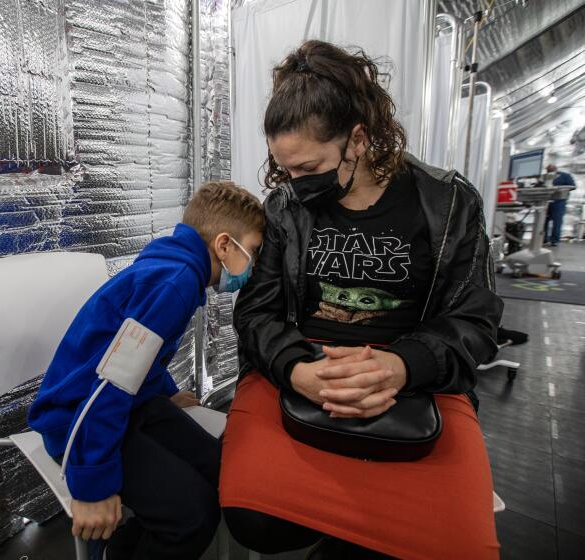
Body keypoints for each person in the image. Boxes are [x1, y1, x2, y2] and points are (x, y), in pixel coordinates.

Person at [220, 40, 503, 559]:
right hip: (303, 368)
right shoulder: (285, 207)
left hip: (414, 380)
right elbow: (256, 312)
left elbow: (476, 319)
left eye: (309, 168)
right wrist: (297, 369)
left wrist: (401, 366)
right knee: (254, 519)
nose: (293, 184)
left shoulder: (448, 202)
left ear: (357, 140)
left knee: (458, 546)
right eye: (286, 170)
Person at [28, 181, 264, 560]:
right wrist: (93, 485)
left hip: (127, 404)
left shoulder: (175, 269)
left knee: (221, 470)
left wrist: (166, 393)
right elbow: (113, 383)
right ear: (224, 245)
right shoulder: (175, 283)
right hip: (78, 419)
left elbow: (140, 357)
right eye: (253, 251)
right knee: (192, 516)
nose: (254, 265)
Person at [544, 163, 576, 246]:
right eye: (548, 170)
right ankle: (544, 239)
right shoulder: (545, 177)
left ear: (555, 169)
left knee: (557, 221)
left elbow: (573, 186)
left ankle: (554, 240)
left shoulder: (564, 176)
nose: (549, 171)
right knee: (544, 220)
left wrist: (561, 188)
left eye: (551, 169)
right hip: (546, 200)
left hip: (559, 201)